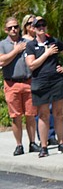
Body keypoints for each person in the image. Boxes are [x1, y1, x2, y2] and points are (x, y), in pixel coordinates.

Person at [24, 16, 63, 157]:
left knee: (58, 113)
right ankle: (44, 147)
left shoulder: (54, 42)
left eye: (43, 24)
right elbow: (32, 65)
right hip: (40, 82)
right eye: (38, 25)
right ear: (33, 28)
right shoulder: (30, 45)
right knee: (44, 115)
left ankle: (61, 143)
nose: (41, 27)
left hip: (56, 81)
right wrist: (47, 53)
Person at [1, 16, 38, 155]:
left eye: (15, 26)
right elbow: (1, 61)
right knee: (16, 116)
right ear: (6, 30)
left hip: (28, 82)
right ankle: (19, 145)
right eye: (10, 27)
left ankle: (33, 143)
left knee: (30, 115)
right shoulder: (3, 44)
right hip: (12, 84)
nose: (13, 29)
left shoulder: (27, 42)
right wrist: (16, 51)